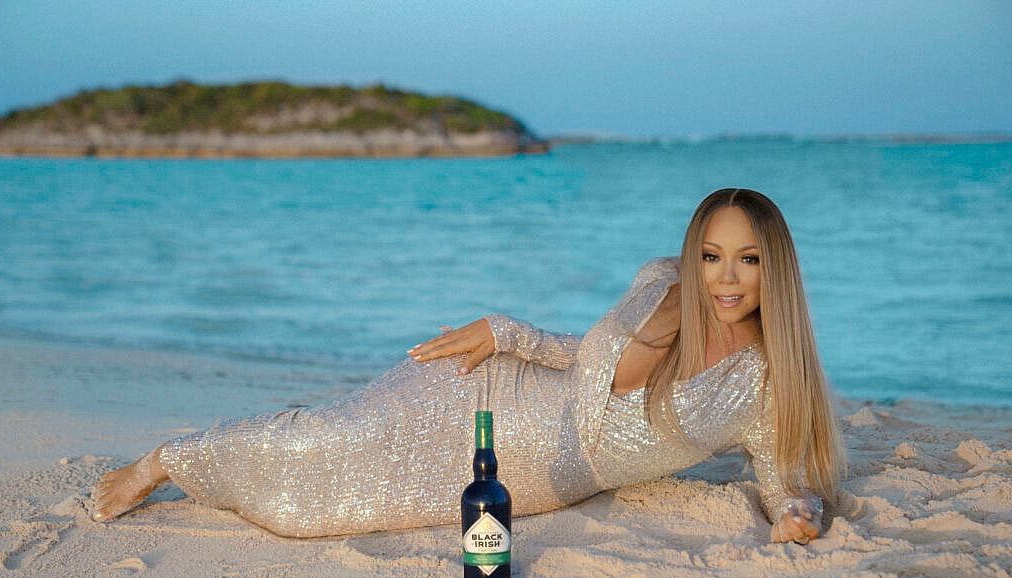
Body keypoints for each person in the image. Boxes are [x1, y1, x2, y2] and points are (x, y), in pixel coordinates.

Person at [91, 188, 844, 545]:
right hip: (495, 392)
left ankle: (202, 463)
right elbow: (586, 360)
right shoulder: (660, 284)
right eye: (712, 255)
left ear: (774, 268)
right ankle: (168, 458)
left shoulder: (764, 382)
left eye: (748, 259)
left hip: (536, 478)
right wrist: (507, 332)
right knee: (319, 440)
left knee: (308, 517)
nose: (726, 277)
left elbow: (783, 474)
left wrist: (796, 512)